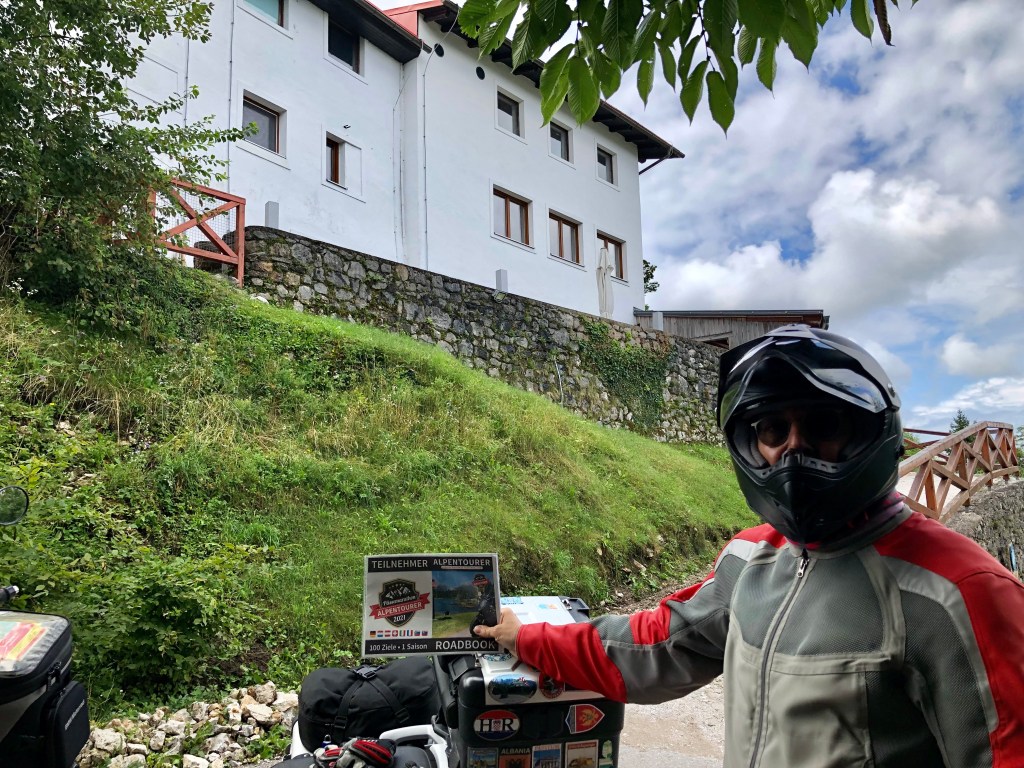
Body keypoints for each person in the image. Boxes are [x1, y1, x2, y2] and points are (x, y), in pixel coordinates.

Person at [475, 324, 1024, 767]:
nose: (793, 449)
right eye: (771, 430)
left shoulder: (960, 593)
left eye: (823, 425)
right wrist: (528, 639)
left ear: (869, 433)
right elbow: (656, 647)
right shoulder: (751, 558)